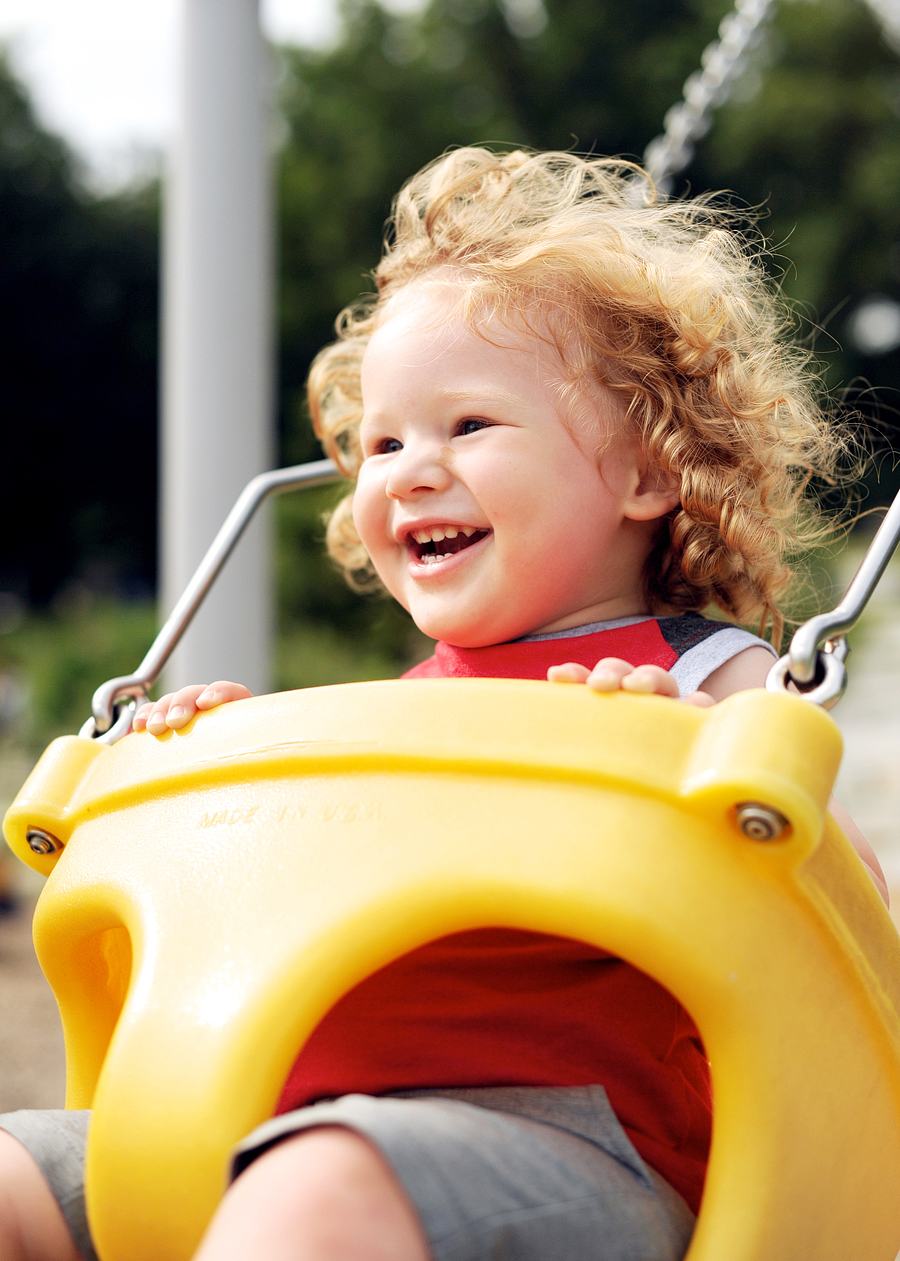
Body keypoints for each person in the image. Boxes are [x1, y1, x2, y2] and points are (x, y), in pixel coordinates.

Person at [0, 148, 888, 1261]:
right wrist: (210, 774)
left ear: (646, 474)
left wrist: (681, 756)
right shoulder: (397, 715)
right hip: (260, 1111)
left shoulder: (707, 677)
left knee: (318, 1188)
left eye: (468, 426)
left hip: (570, 1140)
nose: (411, 469)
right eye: (382, 442)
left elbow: (845, 913)